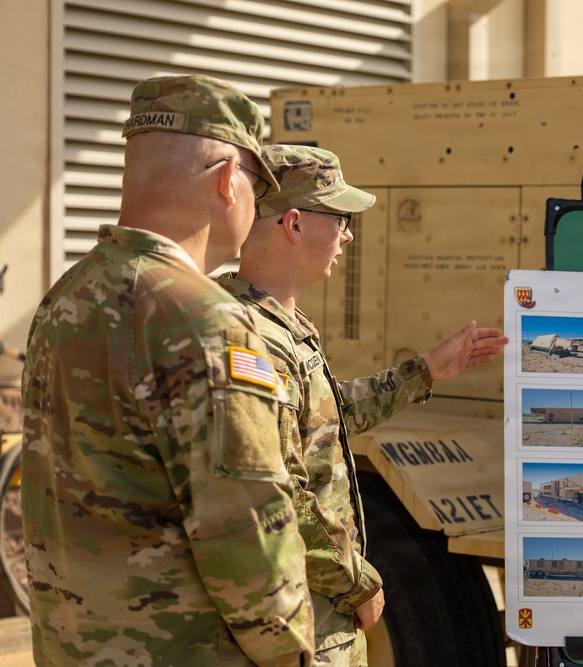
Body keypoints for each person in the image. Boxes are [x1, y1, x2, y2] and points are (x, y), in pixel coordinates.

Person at [20, 75, 314, 666]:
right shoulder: (206, 320)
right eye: (259, 184)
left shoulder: (64, 297)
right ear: (230, 182)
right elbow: (249, 535)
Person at [216, 144, 508, 666]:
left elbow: (323, 423)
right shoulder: (247, 336)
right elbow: (275, 486)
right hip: (296, 618)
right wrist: (357, 583)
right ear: (295, 223)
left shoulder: (278, 323)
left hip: (313, 610)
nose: (348, 234)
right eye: (341, 218)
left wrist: (425, 371)